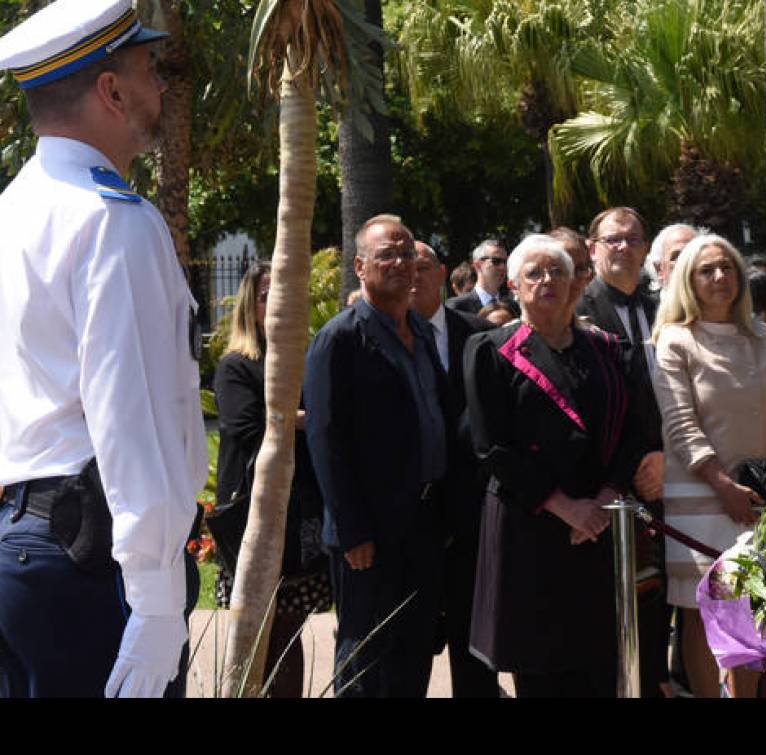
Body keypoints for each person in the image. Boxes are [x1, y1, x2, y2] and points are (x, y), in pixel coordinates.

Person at [0, 0, 206, 698]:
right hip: (93, 567)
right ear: (111, 92)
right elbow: (129, 420)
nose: (162, 85)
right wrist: (153, 601)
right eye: (149, 69)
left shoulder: (14, 209)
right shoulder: (116, 222)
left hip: (27, 550)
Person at [463, 234, 660, 697]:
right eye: (534, 272)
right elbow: (492, 448)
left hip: (598, 529)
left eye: (557, 271)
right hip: (531, 527)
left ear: (574, 283)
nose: (547, 280)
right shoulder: (490, 351)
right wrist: (566, 507)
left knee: (599, 665)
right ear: (513, 284)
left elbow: (634, 432)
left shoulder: (610, 350)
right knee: (542, 673)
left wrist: (605, 500)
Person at [651, 234, 766, 698]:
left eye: (727, 268)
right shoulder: (675, 340)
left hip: (763, 497)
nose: (720, 277)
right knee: (701, 611)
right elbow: (680, 424)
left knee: (752, 608)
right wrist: (720, 484)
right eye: (707, 270)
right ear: (688, 281)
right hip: (699, 495)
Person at [303, 215, 448, 698]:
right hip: (368, 532)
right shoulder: (339, 339)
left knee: (413, 648)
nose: (401, 263)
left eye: (408, 253)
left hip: (423, 522)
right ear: (361, 267)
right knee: (365, 655)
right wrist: (352, 529)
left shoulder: (423, 333)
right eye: (388, 254)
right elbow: (326, 440)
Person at [209, 262, 331, 698]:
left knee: (288, 630)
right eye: (265, 294)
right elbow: (244, 426)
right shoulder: (236, 365)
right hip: (255, 514)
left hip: (299, 512)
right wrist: (300, 420)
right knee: (257, 630)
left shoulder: (305, 358)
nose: (275, 301)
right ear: (250, 304)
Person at [575, 207, 671, 696]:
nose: (624, 247)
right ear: (592, 248)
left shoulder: (668, 306)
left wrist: (665, 455)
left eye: (634, 238)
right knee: (612, 611)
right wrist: (634, 461)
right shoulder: (579, 309)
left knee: (661, 603)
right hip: (608, 482)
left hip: (667, 473)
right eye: (613, 239)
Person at [407, 240, 498, 698]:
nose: (413, 275)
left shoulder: (479, 334)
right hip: (408, 526)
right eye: (406, 266)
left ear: (443, 274)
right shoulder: (380, 336)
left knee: (476, 658)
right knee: (407, 657)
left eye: (423, 266)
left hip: (472, 522)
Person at [447, 239, 513, 315]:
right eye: (496, 261)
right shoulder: (457, 307)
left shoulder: (513, 306)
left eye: (505, 262)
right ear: (478, 265)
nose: (503, 267)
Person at [646, 223, 699, 293]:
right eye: (677, 257)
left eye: (694, 255)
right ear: (659, 269)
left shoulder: (714, 302)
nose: (688, 263)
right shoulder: (648, 303)